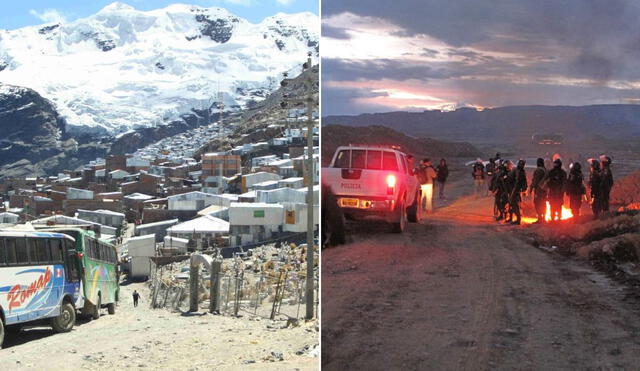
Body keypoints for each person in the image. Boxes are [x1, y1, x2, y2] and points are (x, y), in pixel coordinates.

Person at [507, 159, 527, 225]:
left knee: (514, 204)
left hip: (516, 190)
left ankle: (518, 219)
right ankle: (511, 218)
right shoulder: (517, 170)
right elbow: (510, 178)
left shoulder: (520, 171)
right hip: (513, 189)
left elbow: (524, 182)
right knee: (512, 204)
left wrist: (523, 189)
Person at [529, 158, 547, 223]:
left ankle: (540, 217)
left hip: (539, 190)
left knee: (537, 203)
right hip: (545, 190)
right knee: (543, 203)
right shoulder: (545, 170)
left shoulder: (538, 170)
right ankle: (544, 217)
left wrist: (531, 188)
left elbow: (535, 180)